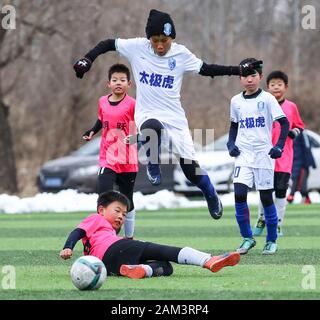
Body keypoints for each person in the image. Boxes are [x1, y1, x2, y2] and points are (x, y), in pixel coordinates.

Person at [73, 9, 262, 220]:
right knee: (151, 127)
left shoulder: (180, 54)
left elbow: (207, 69)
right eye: (156, 40)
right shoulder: (137, 47)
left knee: (191, 169)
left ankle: (210, 193)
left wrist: (237, 70)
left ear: (172, 38)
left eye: (165, 40)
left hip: (174, 117)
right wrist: (87, 60)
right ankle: (153, 163)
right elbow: (108, 43)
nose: (160, 45)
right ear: (149, 39)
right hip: (147, 112)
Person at [59, 191, 240, 279]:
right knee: (163, 251)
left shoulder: (98, 240)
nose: (121, 216)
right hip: (115, 250)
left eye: (124, 214)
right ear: (101, 210)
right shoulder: (96, 219)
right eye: (117, 211)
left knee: (166, 268)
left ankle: (142, 270)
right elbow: (77, 232)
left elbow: (91, 250)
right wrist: (68, 246)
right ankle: (207, 260)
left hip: (108, 267)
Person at [227, 58, 289, 255]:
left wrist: (278, 146)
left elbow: (284, 123)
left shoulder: (268, 99)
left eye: (253, 75)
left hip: (263, 154)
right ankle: (247, 238)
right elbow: (234, 125)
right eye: (245, 76)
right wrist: (231, 144)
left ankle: (271, 240)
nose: (249, 80)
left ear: (260, 77)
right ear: (240, 79)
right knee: (239, 193)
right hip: (244, 154)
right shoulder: (235, 101)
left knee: (265, 197)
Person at [82, 63, 138, 239]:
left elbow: (143, 127)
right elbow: (101, 120)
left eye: (122, 80)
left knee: (127, 199)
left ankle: (129, 237)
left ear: (129, 84)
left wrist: (136, 138)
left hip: (128, 160)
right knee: (104, 195)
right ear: (108, 84)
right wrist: (92, 130)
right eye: (115, 80)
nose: (118, 83)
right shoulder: (102, 102)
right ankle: (103, 235)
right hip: (107, 158)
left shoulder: (133, 105)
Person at [252, 70, 305, 237]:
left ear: (286, 87)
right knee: (265, 190)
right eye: (272, 85)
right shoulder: (261, 105)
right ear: (267, 87)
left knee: (281, 190)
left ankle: (278, 224)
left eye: (279, 84)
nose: (276, 88)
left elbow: (299, 125)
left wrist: (294, 132)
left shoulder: (291, 107)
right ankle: (261, 218)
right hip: (264, 156)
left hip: (284, 156)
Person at [287, 130, 316, 204]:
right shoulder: (288, 132)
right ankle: (298, 197)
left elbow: (307, 148)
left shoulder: (302, 134)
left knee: (301, 183)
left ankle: (292, 196)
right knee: (295, 180)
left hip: (302, 163)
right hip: (295, 162)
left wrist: (311, 162)